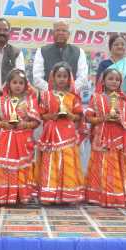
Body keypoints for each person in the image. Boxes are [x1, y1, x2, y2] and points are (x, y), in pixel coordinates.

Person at [85, 68, 126, 207]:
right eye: (110, 79)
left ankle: (117, 195)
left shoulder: (124, 101)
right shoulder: (96, 98)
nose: (114, 82)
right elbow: (88, 118)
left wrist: (120, 120)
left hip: (118, 138)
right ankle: (99, 195)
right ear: (103, 81)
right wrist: (104, 118)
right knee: (101, 163)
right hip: (102, 137)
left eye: (117, 79)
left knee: (117, 165)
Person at [0, 69, 40, 205]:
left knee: (21, 166)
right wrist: (4, 124)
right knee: (4, 165)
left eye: (21, 83)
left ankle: (21, 195)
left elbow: (36, 122)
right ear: (8, 84)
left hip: (23, 140)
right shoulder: (1, 101)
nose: (18, 85)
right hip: (6, 139)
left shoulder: (30, 102)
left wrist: (24, 124)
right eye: (14, 82)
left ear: (26, 85)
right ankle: (2, 194)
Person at [36, 63, 85, 204]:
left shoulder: (73, 97)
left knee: (68, 162)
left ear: (70, 79)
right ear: (53, 78)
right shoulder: (46, 96)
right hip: (51, 134)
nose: (62, 79)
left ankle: (68, 194)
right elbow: (41, 115)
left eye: (65, 76)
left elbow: (78, 116)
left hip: (68, 133)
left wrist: (70, 115)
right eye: (59, 76)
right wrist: (52, 116)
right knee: (50, 160)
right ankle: (49, 194)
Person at [32, 21, 89, 96]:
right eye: (57, 30)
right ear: (52, 33)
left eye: (64, 30)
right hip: (48, 96)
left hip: (72, 97)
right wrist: (52, 91)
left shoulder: (79, 52)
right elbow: (37, 78)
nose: (60, 33)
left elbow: (83, 78)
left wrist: (69, 90)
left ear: (68, 34)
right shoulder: (42, 51)